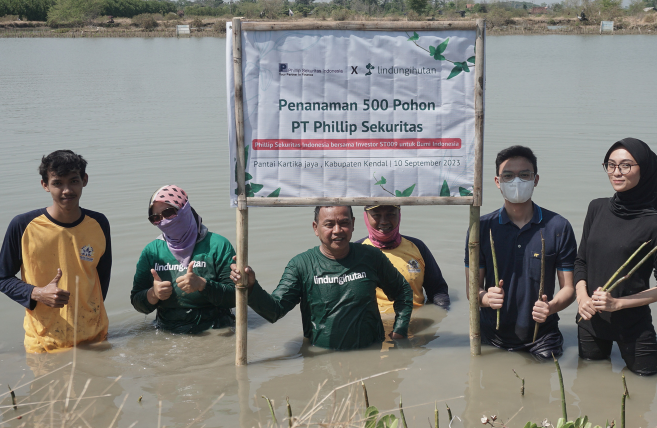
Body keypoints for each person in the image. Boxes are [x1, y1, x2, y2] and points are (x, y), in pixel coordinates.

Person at [231, 205, 414, 350]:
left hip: (370, 351)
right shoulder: (301, 265)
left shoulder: (372, 257)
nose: (337, 230)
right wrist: (251, 286)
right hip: (321, 355)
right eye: (329, 224)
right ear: (315, 228)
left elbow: (403, 291)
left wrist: (399, 331)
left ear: (353, 223)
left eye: (344, 223)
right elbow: (274, 311)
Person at [465, 145, 577, 360]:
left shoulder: (558, 227)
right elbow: (473, 291)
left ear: (535, 179)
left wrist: (551, 307)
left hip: (541, 335)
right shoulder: (480, 228)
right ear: (498, 182)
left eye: (524, 175)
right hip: (490, 335)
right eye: (508, 175)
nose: (516, 181)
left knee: (542, 382)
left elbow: (569, 289)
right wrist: (487, 298)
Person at [574, 138, 657, 376]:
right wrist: (582, 298)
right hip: (591, 321)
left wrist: (618, 304)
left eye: (626, 165)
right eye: (611, 165)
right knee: (589, 389)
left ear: (645, 169)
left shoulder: (655, 225)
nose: (616, 172)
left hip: (633, 325)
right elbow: (581, 262)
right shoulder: (596, 208)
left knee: (647, 386)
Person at [0, 150, 112, 353]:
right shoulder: (23, 225)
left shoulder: (99, 223)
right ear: (45, 185)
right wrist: (37, 293)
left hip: (95, 338)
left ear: (84, 180)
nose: (67, 190)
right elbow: (2, 277)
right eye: (57, 183)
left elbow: (102, 279)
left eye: (73, 181)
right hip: (44, 343)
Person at [130, 185, 237, 333]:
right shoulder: (152, 251)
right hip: (166, 331)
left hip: (216, 328)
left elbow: (237, 296)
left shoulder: (218, 245)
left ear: (185, 210)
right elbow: (137, 302)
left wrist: (203, 285)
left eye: (168, 212)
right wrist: (153, 294)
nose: (164, 221)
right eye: (156, 218)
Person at [358, 204, 449, 314]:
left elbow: (437, 290)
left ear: (399, 215)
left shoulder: (417, 247)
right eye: (376, 215)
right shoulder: (357, 251)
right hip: (374, 326)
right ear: (366, 217)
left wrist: (442, 314)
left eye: (390, 214)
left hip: (415, 322)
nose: (384, 221)